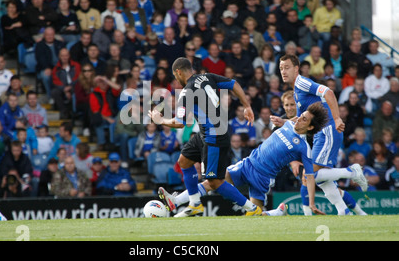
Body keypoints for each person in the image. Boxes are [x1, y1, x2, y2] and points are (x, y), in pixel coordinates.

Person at [160, 102, 332, 216]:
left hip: (263, 177)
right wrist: (281, 119)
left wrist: (311, 202)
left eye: (305, 119)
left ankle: (276, 213)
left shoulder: (303, 148)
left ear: (309, 126)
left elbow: (309, 176)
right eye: (302, 115)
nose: (300, 118)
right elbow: (290, 121)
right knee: (213, 181)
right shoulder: (288, 124)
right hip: (248, 164)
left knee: (255, 215)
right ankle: (175, 201)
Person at [148, 57, 259, 217]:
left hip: (214, 136)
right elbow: (233, 84)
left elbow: (181, 123)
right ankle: (194, 203)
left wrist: (160, 120)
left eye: (175, 76)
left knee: (214, 182)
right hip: (205, 132)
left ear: (178, 72)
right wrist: (247, 106)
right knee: (184, 161)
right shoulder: (207, 77)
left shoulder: (186, 92)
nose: (176, 80)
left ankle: (252, 209)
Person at [274, 54, 368, 215]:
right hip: (321, 133)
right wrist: (283, 122)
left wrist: (337, 118)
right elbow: (301, 120)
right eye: (281, 68)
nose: (283, 71)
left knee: (309, 174)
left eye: (287, 67)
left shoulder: (302, 82)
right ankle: (343, 210)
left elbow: (328, 92)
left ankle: (352, 172)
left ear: (296, 69)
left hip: (327, 130)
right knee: (323, 180)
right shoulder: (296, 90)